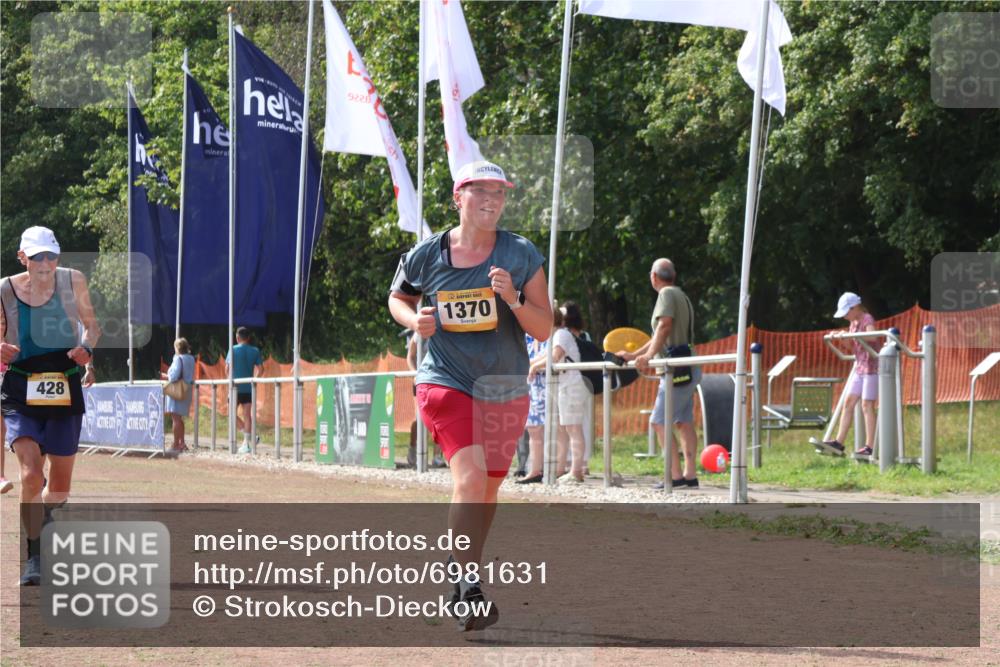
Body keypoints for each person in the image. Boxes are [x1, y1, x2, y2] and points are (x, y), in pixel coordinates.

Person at [388, 160, 551, 631]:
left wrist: (515, 301)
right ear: (458, 198)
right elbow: (399, 297)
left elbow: (544, 325)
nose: (491, 201)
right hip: (445, 380)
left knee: (490, 487)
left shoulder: (521, 255)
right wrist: (412, 320)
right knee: (471, 474)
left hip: (504, 385)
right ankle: (468, 584)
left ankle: (461, 573)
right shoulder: (427, 254)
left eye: (499, 194)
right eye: (481, 192)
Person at [1, 226, 100, 585]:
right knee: (29, 475)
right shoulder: (5, 289)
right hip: (19, 389)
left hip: (64, 385)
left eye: (51, 256)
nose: (45, 264)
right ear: (22, 257)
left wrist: (86, 349)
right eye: (37, 256)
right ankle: (34, 558)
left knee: (57, 489)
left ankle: (45, 514)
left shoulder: (73, 281)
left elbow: (92, 328)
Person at [619, 258, 701, 489]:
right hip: (687, 365)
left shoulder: (665, 295)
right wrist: (635, 355)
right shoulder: (681, 295)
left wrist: (647, 357)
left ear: (654, 276)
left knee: (659, 422)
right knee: (683, 421)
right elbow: (659, 335)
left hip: (674, 369)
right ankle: (689, 475)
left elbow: (664, 326)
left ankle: (674, 476)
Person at [822, 292, 879, 456]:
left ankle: (869, 446)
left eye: (847, 312)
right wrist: (841, 338)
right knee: (848, 403)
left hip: (871, 368)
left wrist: (853, 335)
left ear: (855, 308)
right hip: (859, 367)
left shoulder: (866, 319)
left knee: (867, 406)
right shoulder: (853, 323)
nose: (845, 317)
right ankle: (839, 442)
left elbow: (872, 337)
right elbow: (853, 347)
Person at [549, 302, 589, 483]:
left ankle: (576, 470)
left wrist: (534, 366)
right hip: (568, 386)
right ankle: (572, 469)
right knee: (569, 428)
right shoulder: (560, 334)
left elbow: (554, 357)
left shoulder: (560, 334)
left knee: (573, 428)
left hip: (571, 385)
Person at [404, 331, 446, 469]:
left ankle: (437, 456)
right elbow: (410, 357)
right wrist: (415, 374)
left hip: (439, 379)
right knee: (419, 418)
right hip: (420, 379)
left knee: (439, 419)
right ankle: (413, 450)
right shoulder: (418, 334)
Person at [225, 327, 263, 454]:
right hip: (248, 387)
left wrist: (229, 380)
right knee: (247, 415)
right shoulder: (255, 350)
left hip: (235, 386)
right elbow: (261, 369)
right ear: (249, 337)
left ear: (237, 337)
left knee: (231, 414)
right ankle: (248, 442)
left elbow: (227, 369)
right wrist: (254, 380)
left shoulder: (233, 349)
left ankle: (249, 439)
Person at [517, 331, 548, 484]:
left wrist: (531, 364)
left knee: (552, 431)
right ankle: (535, 470)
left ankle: (547, 469)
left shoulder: (550, 335)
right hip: (532, 387)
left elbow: (551, 355)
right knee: (533, 430)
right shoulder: (526, 338)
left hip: (547, 387)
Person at [161, 338, 196, 452]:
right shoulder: (191, 359)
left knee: (175, 418)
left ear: (177, 348)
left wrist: (167, 375)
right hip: (187, 389)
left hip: (177, 389)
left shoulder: (178, 359)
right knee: (180, 419)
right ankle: (182, 443)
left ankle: (176, 444)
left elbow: (173, 376)